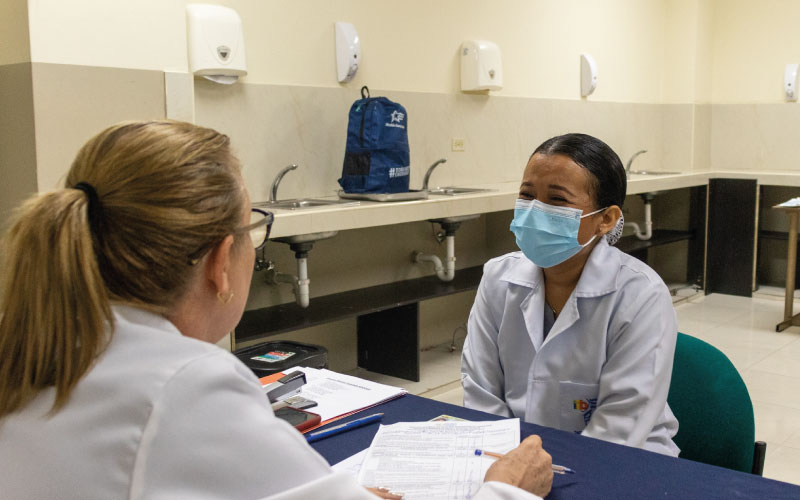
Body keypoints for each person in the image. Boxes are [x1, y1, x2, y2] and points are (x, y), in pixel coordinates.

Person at [0, 120, 553, 499]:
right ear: (221, 261)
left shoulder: (41, 343)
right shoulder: (185, 385)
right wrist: (506, 490)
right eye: (253, 226)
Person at [461, 133, 680, 457]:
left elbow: (621, 426)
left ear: (606, 219)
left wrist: (541, 474)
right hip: (511, 455)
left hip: (622, 461)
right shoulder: (498, 278)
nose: (535, 211)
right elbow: (480, 392)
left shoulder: (641, 295)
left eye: (557, 200)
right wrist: (505, 465)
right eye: (527, 195)